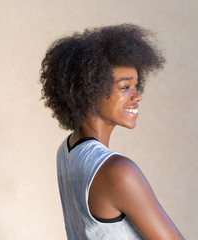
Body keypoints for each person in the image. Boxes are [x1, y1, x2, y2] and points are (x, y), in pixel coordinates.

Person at [39, 24, 184, 239]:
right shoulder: (118, 171)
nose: (137, 96)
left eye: (136, 86)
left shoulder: (66, 151)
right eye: (125, 87)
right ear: (89, 91)